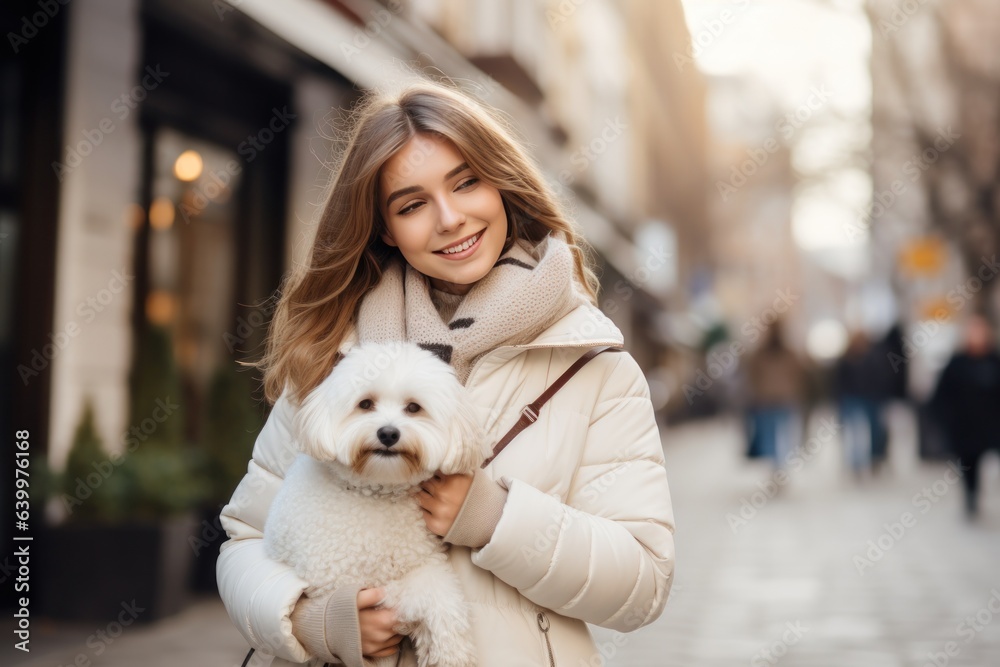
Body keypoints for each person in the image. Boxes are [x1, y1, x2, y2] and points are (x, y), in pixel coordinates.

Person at [216, 80, 676, 667]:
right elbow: (245, 541)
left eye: (466, 183)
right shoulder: (335, 348)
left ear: (502, 183)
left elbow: (642, 584)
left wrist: (496, 519)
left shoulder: (594, 365)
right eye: (412, 205)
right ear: (385, 228)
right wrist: (309, 620)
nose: (450, 219)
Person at [929, 314, 1000, 518]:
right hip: (964, 426)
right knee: (969, 463)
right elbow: (940, 395)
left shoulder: (994, 361)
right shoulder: (957, 363)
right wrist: (946, 419)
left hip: (991, 425)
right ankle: (971, 496)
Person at [743, 322, 806, 467]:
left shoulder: (762, 354)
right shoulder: (785, 353)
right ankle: (779, 465)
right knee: (781, 435)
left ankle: (777, 465)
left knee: (773, 437)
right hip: (776, 400)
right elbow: (799, 375)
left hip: (772, 400)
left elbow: (752, 376)